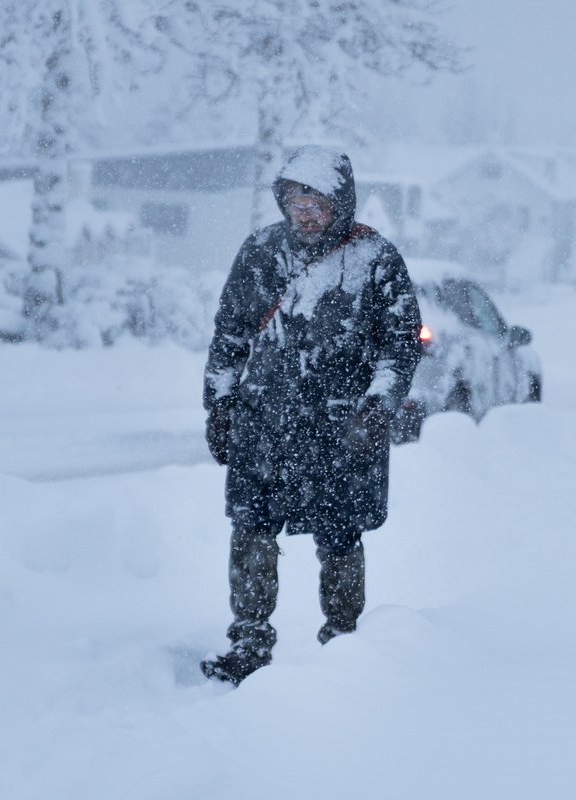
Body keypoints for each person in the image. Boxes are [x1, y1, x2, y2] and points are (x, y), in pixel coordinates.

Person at [199, 145, 423, 686]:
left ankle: (343, 647)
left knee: (341, 535)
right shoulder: (261, 252)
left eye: (317, 204)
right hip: (264, 421)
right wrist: (220, 404)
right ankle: (248, 642)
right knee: (251, 528)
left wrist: (377, 409)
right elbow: (229, 336)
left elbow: (399, 348)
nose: (305, 214)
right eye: (296, 203)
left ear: (340, 203)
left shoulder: (376, 258)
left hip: (342, 429)